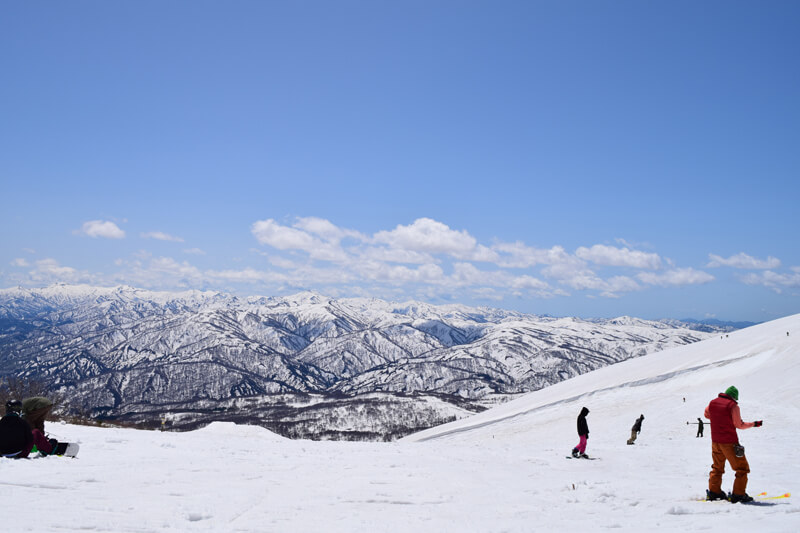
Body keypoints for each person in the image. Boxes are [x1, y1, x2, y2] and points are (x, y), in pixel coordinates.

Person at [704, 386, 762, 503]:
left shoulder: (713, 403)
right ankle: (739, 495)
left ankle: (714, 492)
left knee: (717, 467)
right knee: (742, 468)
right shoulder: (733, 406)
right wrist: (754, 424)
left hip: (715, 442)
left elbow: (707, 415)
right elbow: (739, 425)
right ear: (734, 397)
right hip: (730, 442)